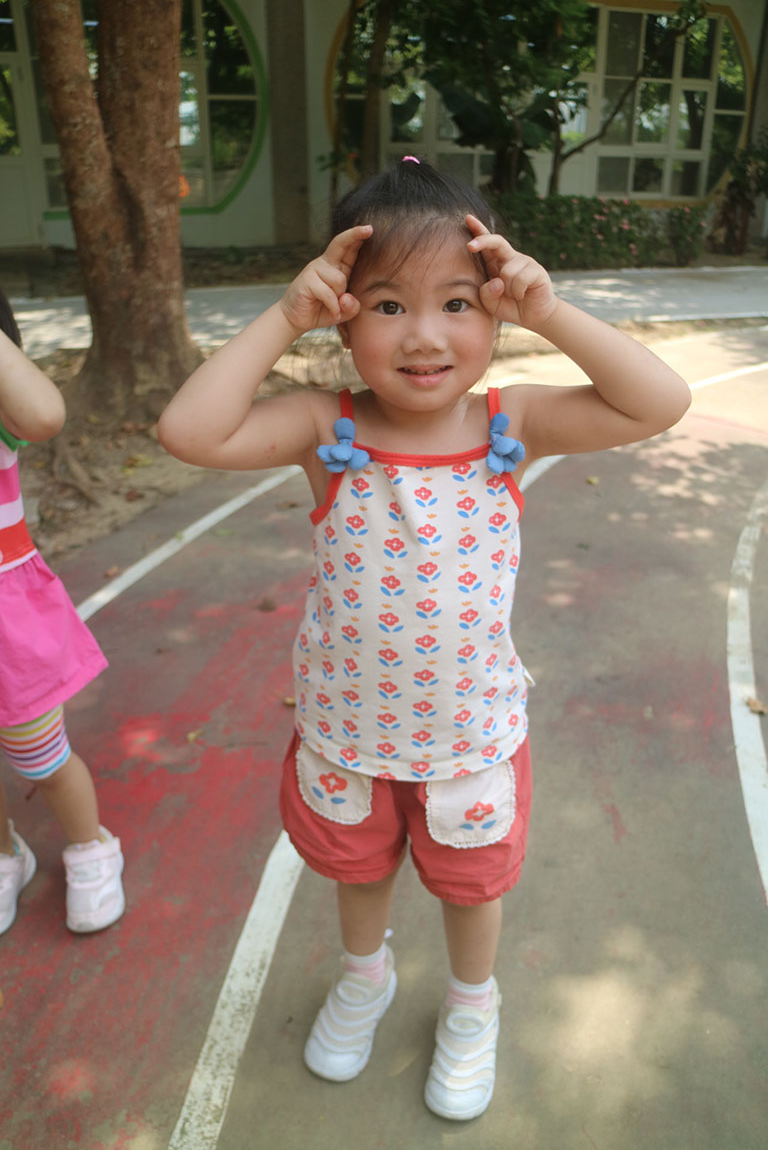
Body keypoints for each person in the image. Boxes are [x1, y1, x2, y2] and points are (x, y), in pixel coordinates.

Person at [158, 158, 690, 1120]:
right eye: (389, 305)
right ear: (343, 318)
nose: (425, 334)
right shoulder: (325, 428)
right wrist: (282, 316)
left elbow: (660, 402)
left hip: (468, 739)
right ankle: (365, 978)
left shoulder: (513, 420)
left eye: (457, 302)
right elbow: (189, 432)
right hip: (349, 735)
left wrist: (552, 313)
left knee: (469, 886)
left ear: (495, 313)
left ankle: (473, 1006)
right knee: (357, 874)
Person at [0, 290, 125, 936]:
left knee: (42, 760)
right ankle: (6, 857)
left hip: (5, 627)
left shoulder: (4, 409)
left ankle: (91, 846)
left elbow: (46, 413)